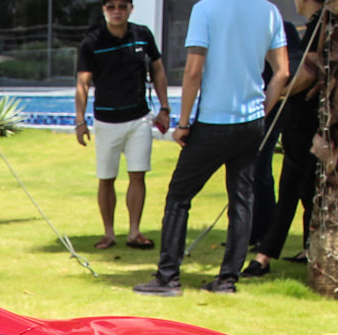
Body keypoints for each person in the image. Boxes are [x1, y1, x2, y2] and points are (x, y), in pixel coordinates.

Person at [133, 0, 288, 296]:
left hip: (214, 121)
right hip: (252, 122)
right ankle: (227, 280)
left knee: (179, 195)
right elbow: (282, 73)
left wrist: (183, 123)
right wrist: (262, 112)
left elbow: (193, 70)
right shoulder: (269, 11)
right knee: (241, 201)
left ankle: (168, 278)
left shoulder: (206, 8)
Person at [74, 0, 170, 250]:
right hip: (107, 120)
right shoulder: (92, 41)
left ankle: (135, 232)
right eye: (111, 6)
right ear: (104, 10)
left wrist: (165, 108)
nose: (117, 11)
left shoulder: (142, 35)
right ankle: (108, 233)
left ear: (130, 9)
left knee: (138, 176)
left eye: (122, 6)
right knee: (106, 178)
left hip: (139, 118)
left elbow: (157, 69)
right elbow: (83, 82)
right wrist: (80, 120)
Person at [245, 0, 323, 277]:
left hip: (306, 119)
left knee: (293, 185)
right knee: (302, 187)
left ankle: (265, 256)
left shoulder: (321, 23)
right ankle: (303, 247)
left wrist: (280, 90)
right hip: (298, 116)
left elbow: (311, 69)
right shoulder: (314, 24)